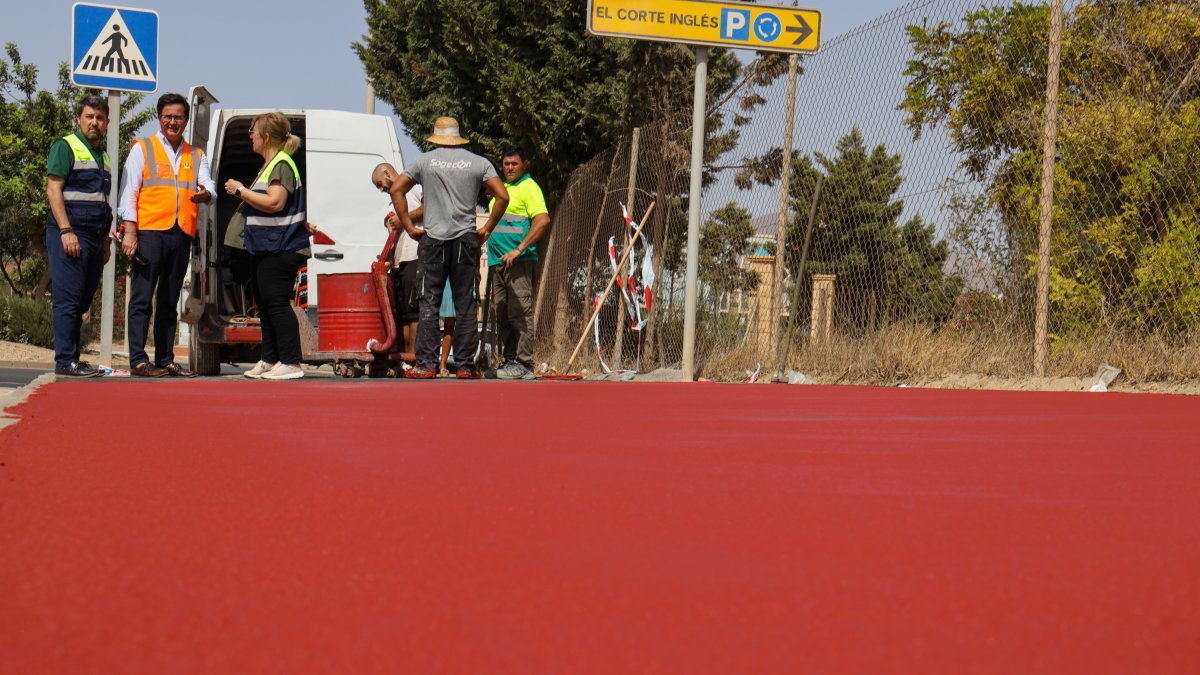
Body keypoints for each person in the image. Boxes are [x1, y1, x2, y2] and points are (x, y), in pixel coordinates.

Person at [375, 117, 509, 379]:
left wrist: (408, 226)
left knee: (429, 303)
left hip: (433, 240)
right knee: (466, 303)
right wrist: (486, 229)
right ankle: (465, 366)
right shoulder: (478, 162)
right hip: (465, 240)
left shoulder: (424, 161)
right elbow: (502, 196)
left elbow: (397, 190)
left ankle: (426, 364)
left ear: (436, 137)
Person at [118, 92, 215, 377]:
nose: (173, 122)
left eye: (178, 117)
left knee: (170, 299)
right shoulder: (143, 148)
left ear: (186, 120)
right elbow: (129, 192)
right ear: (160, 118)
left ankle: (164, 358)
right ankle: (138, 359)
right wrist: (130, 232)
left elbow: (209, 185)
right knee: (142, 297)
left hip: (181, 232)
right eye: (168, 117)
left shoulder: (196, 154)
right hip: (149, 232)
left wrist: (206, 193)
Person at [223, 112, 314, 380]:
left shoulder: (281, 164)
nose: (249, 136)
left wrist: (240, 191)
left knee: (276, 303)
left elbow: (275, 202)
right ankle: (270, 358)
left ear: (265, 135)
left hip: (281, 246)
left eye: (252, 131)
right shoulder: (271, 164)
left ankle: (291, 362)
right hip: (265, 246)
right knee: (265, 304)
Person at [45, 96, 114, 377]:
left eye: (99, 118)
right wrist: (66, 230)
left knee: (83, 301)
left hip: (96, 238)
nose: (94, 122)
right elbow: (53, 190)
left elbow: (103, 200)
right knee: (68, 299)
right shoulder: (66, 146)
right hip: (71, 234)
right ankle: (65, 360)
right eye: (89, 117)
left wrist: (107, 239)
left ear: (107, 122)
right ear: (79, 119)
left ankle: (73, 356)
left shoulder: (104, 156)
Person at [484, 145, 551, 380]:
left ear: (525, 165)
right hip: (497, 262)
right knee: (501, 313)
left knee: (520, 312)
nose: (510, 168)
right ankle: (511, 361)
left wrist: (519, 250)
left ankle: (525, 364)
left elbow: (542, 220)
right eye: (506, 164)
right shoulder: (504, 188)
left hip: (519, 262)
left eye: (514, 164)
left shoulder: (529, 187)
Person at [375, 164, 424, 358]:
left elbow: (429, 208)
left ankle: (413, 358)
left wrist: (404, 220)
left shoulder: (414, 188)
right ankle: (403, 358)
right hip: (399, 262)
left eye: (380, 184)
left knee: (414, 313)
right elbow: (393, 237)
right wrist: (386, 258)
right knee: (402, 315)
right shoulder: (390, 204)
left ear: (388, 173)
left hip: (415, 256)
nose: (381, 189)